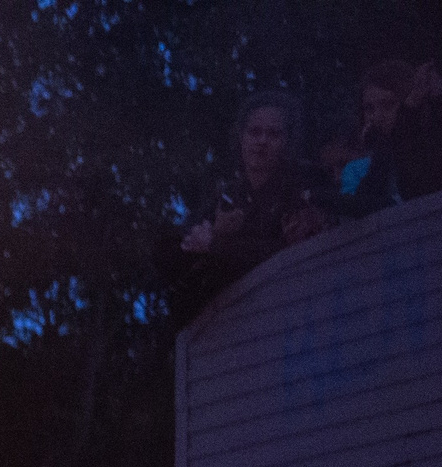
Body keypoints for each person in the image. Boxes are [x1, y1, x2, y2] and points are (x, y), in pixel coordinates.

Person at [162, 91, 328, 314]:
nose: (262, 141)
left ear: (287, 141)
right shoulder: (229, 195)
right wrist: (212, 235)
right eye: (254, 132)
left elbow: (288, 254)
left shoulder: (303, 185)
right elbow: (181, 249)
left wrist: (218, 244)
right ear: (241, 137)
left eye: (273, 134)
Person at [334, 59, 442, 217]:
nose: (376, 117)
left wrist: (405, 123)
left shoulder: (432, 150)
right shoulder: (365, 165)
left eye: (388, 105)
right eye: (369, 108)